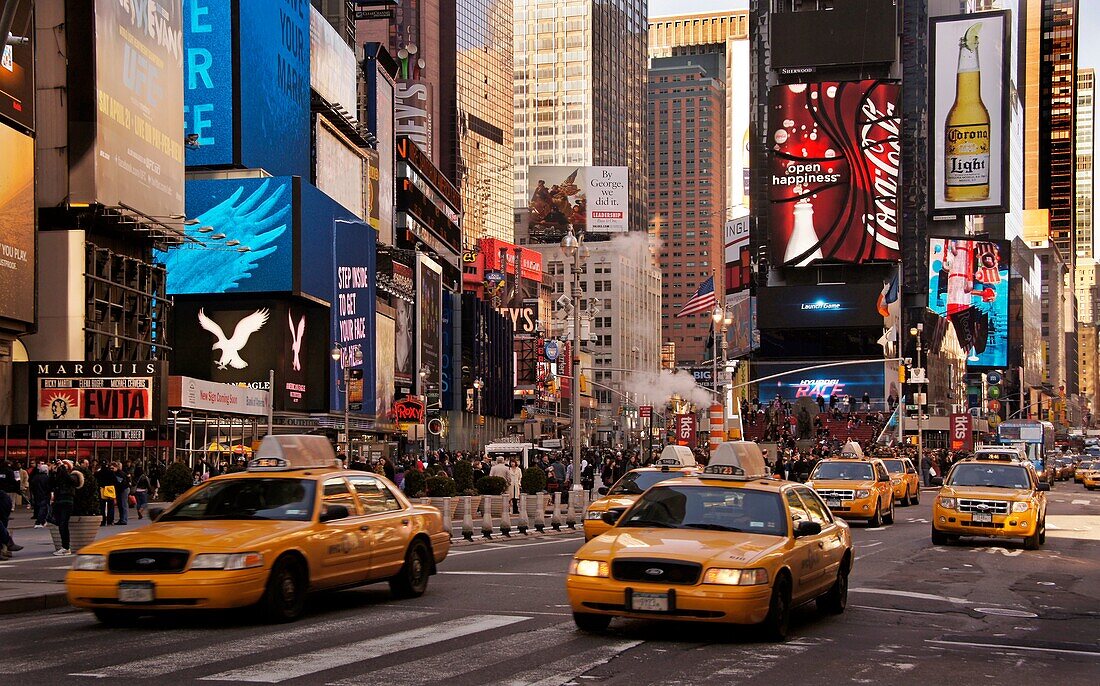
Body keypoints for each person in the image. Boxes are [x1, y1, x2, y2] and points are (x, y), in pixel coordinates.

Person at [51, 460, 82, 556]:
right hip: (58, 501)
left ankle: (66, 547)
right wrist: (53, 472)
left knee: (63, 524)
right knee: (57, 522)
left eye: (64, 465)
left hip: (67, 501)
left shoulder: (74, 475)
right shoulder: (60, 476)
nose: (62, 466)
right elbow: (52, 483)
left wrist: (63, 468)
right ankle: (64, 547)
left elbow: (69, 480)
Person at [95, 461, 117, 526]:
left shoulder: (98, 473)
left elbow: (95, 481)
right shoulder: (111, 472)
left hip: (101, 489)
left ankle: (103, 521)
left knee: (102, 506)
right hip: (110, 489)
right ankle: (110, 521)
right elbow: (115, 481)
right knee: (110, 506)